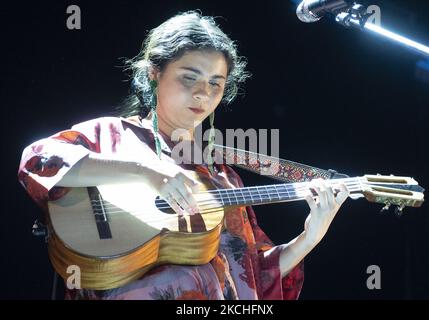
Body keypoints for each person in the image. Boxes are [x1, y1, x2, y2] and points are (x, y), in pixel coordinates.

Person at [18, 11, 349, 300]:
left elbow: (247, 277)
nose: (203, 93)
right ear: (154, 73)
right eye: (189, 78)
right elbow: (38, 159)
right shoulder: (112, 135)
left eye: (215, 84)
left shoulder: (222, 176)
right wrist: (146, 172)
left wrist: (310, 237)